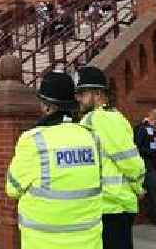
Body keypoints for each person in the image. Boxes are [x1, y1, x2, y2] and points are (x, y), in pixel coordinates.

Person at [7, 71, 102, 249]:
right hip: (89, 241)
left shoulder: (33, 139)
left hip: (43, 241)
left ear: (46, 106)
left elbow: (13, 189)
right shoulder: (91, 137)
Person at [75, 66, 146, 249]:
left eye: (83, 93)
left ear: (98, 94)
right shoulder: (103, 118)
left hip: (112, 206)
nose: (78, 98)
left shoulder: (101, 119)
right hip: (109, 205)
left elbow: (129, 160)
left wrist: (139, 186)